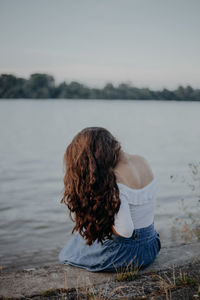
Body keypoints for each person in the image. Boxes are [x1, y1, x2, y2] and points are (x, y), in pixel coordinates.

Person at [58, 127, 161, 272]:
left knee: (71, 250)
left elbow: (126, 231)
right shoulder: (142, 161)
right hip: (151, 245)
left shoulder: (114, 178)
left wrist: (105, 222)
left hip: (129, 255)